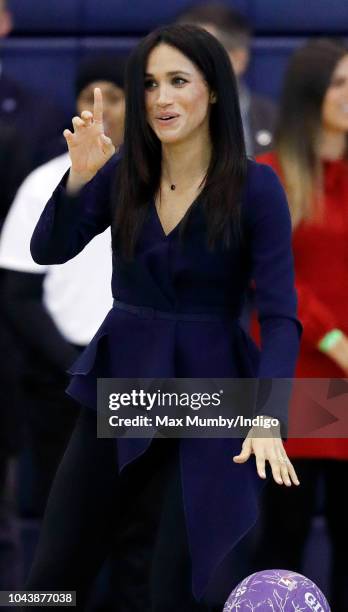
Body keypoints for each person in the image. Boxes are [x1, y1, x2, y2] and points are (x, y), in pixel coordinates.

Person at [26, 25, 302, 611]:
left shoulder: (257, 187)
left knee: (182, 584)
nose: (161, 98)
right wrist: (78, 179)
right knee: (49, 576)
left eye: (179, 81)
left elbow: (280, 316)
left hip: (213, 393)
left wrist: (270, 415)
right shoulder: (123, 173)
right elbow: (46, 250)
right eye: (149, 84)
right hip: (122, 384)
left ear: (217, 92)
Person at [0, 54, 125, 518]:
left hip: (143, 377)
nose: (102, 107)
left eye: (115, 96)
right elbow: (19, 294)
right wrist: (75, 368)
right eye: (89, 96)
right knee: (67, 523)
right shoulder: (42, 184)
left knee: (140, 530)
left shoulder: (163, 184)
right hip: (63, 379)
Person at [253, 39, 348, 611]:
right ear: (310, 93)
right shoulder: (270, 176)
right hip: (298, 377)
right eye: (340, 83)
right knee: (282, 536)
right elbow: (272, 278)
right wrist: (336, 339)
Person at [176, 2, 277, 156]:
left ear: (238, 59)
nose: (190, 65)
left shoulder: (277, 122)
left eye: (204, 55)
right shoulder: (158, 119)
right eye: (183, 55)